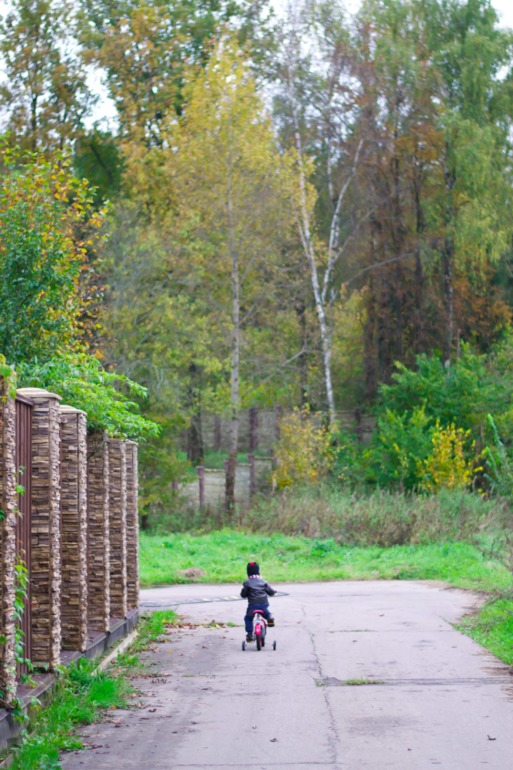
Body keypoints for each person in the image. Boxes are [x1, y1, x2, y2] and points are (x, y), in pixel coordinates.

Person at [241, 561, 276, 643]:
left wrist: (244, 595)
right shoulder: (264, 582)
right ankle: (269, 618)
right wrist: (274, 592)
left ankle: (249, 634)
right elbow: (271, 592)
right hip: (263, 604)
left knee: (248, 618)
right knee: (266, 613)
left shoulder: (247, 583)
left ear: (248, 573)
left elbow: (244, 594)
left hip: (252, 606)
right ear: (259, 572)